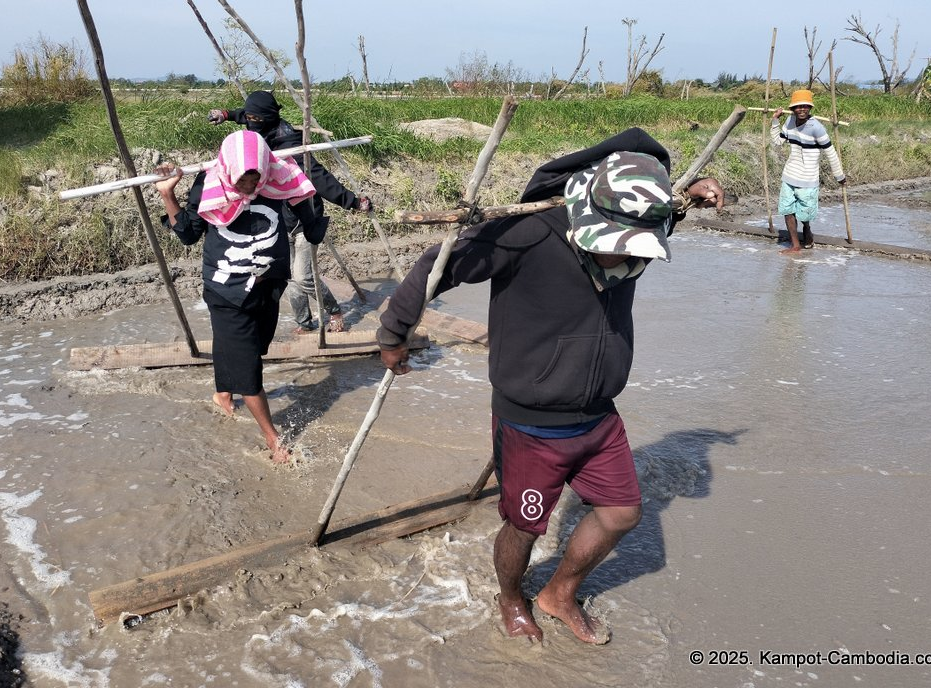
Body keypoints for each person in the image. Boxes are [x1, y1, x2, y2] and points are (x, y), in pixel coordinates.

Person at [376, 128, 724, 645]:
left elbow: (669, 212)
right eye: (611, 243)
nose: (620, 256)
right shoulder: (529, 232)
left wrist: (691, 193)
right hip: (532, 422)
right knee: (525, 526)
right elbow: (437, 264)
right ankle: (511, 598)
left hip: (600, 413)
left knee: (621, 513)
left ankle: (559, 593)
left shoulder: (646, 218)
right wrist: (393, 334)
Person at [154, 130, 316, 463]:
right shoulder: (209, 184)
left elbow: (305, 194)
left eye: (255, 179)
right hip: (226, 291)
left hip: (268, 286)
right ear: (229, 170)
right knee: (248, 369)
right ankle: (274, 441)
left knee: (255, 348)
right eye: (243, 180)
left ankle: (222, 393)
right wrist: (168, 194)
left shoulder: (276, 176)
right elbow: (187, 234)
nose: (250, 187)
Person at [208, 90, 373, 333]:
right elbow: (245, 115)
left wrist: (352, 202)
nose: (251, 122)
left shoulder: (288, 144)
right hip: (279, 218)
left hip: (305, 215)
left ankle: (334, 311)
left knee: (303, 276)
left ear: (267, 118)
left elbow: (318, 177)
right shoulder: (259, 129)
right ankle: (304, 323)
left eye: (256, 119)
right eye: (249, 118)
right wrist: (226, 114)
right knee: (288, 275)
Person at [770, 89, 846, 254]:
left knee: (804, 216)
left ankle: (807, 230)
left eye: (805, 106)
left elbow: (831, 152)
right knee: (787, 211)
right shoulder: (790, 121)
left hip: (808, 178)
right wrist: (775, 121)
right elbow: (778, 142)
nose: (802, 109)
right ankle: (795, 245)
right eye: (798, 107)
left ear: (810, 108)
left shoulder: (816, 128)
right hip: (790, 174)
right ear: (793, 109)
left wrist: (839, 175)